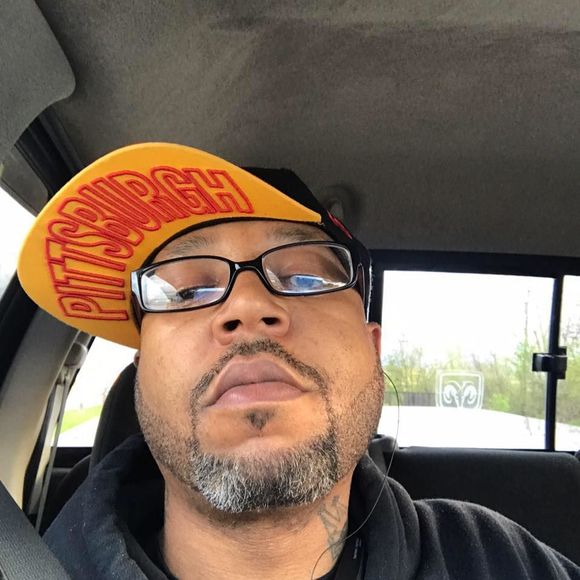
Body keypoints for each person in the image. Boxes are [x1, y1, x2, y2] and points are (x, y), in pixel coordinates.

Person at [17, 143, 580, 579]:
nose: (248, 306)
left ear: (372, 352)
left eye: (307, 277)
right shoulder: (26, 564)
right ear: (140, 373)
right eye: (186, 291)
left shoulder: (496, 559)